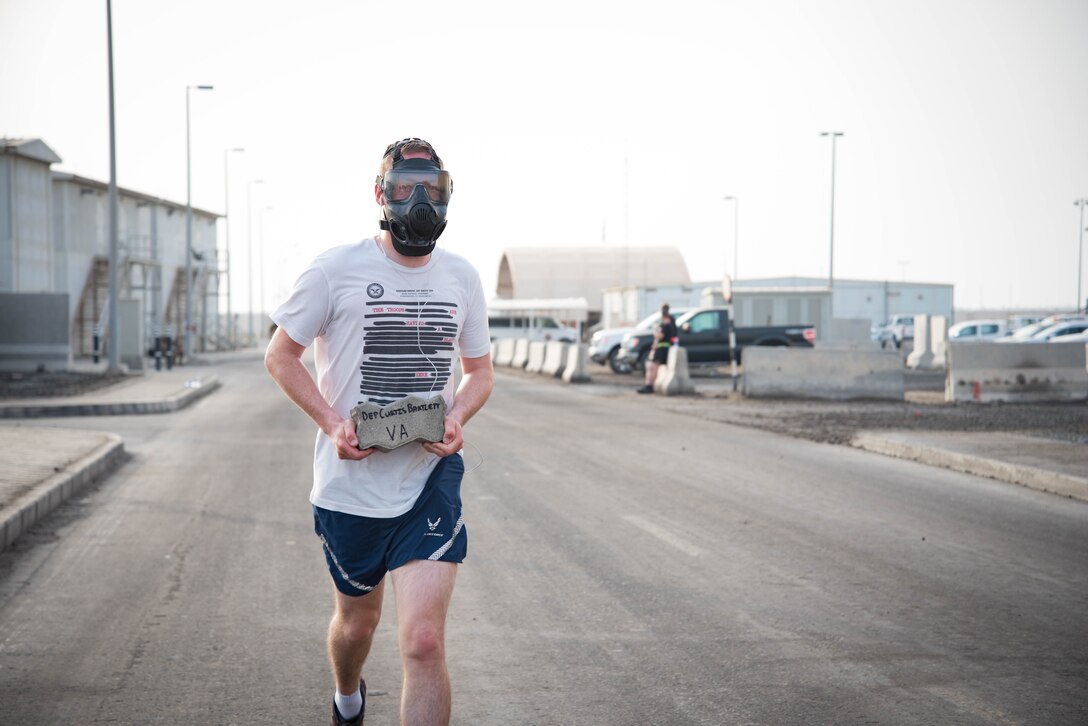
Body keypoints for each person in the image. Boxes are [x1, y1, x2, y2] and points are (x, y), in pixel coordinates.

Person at [265, 138, 493, 725]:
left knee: (423, 641)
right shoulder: (333, 270)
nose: (419, 202)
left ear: (447, 196)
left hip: (427, 479)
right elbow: (281, 356)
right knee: (356, 625)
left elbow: (480, 371)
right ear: (380, 195)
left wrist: (456, 417)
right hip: (350, 489)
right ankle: (348, 698)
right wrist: (332, 423)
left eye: (431, 190)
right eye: (403, 189)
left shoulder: (462, 277)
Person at [637, 303, 677, 394]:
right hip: (662, 347)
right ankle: (648, 384)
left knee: (652, 367)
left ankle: (649, 385)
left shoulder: (666, 324)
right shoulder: (669, 322)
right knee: (651, 366)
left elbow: (660, 336)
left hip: (662, 348)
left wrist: (655, 331)